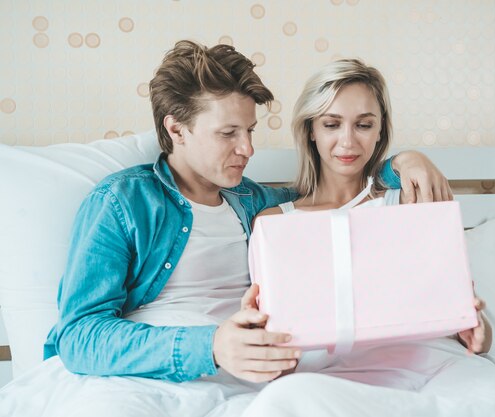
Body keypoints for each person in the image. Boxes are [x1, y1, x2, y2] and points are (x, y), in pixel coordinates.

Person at [0, 40, 452, 416]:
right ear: (176, 129)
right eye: (228, 133)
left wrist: (398, 165)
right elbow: (79, 335)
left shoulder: (255, 202)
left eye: (251, 131)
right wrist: (211, 346)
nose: (247, 149)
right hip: (145, 380)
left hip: (251, 382)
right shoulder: (121, 202)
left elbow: (332, 198)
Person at [241, 58, 495, 417]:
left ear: (381, 131)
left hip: (442, 368)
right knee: (282, 402)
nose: (347, 141)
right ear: (311, 130)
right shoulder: (275, 225)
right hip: (336, 380)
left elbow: (476, 332)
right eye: (332, 124)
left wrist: (475, 329)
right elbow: (277, 346)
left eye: (364, 125)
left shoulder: (412, 199)